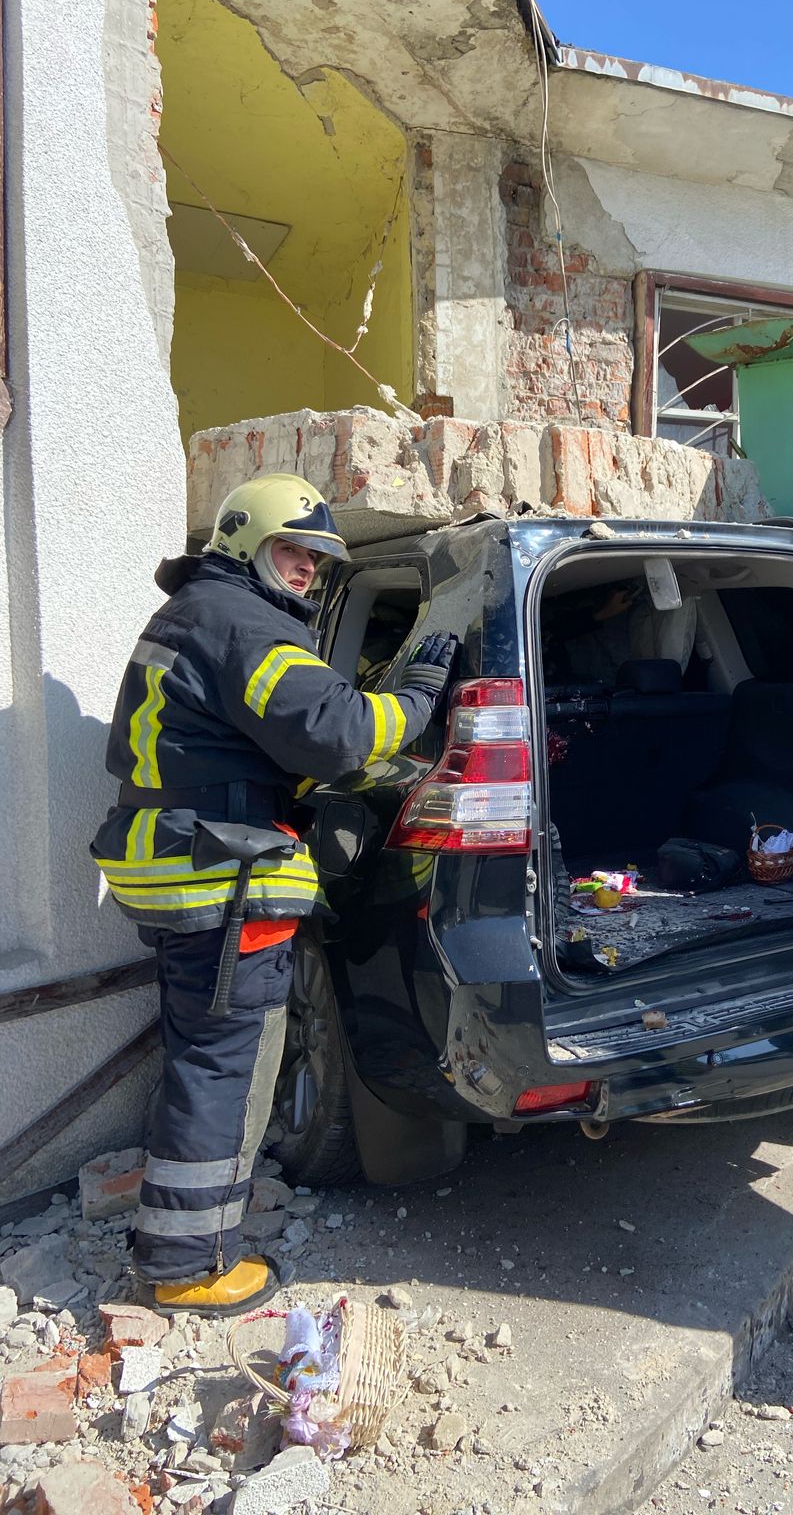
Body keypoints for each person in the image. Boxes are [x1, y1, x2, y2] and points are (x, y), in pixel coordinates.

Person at [91, 473, 456, 1315]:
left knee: (202, 1054)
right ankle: (185, 1265)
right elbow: (340, 738)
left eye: (317, 559)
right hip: (222, 876)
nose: (307, 570)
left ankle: (177, 1235)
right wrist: (418, 693)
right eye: (293, 550)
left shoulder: (200, 615)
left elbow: (264, 741)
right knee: (225, 1063)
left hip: (181, 867)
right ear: (244, 540)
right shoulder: (241, 625)